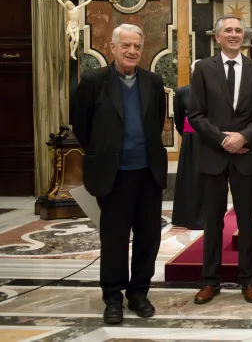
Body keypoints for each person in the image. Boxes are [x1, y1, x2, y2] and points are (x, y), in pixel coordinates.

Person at [72, 24, 167, 324]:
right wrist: (104, 152)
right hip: (113, 175)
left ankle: (139, 293)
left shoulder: (153, 81)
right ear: (112, 47)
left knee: (148, 237)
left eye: (136, 46)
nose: (131, 52)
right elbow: (80, 126)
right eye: (125, 45)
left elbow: (158, 121)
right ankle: (112, 297)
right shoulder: (93, 81)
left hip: (148, 173)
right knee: (114, 239)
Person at [189, 14, 252, 305]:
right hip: (213, 155)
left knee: (247, 221)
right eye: (229, 30)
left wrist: (242, 138)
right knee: (213, 221)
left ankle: (249, 281)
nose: (234, 34)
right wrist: (224, 140)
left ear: (243, 36)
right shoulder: (202, 69)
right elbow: (195, 114)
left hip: (246, 155)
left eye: (239, 30)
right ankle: (210, 281)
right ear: (217, 37)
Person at [172, 60, 205, 230]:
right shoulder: (182, 92)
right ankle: (186, 217)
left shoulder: (214, 92)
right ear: (192, 72)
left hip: (209, 141)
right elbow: (178, 120)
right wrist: (187, 136)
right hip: (190, 141)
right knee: (189, 179)